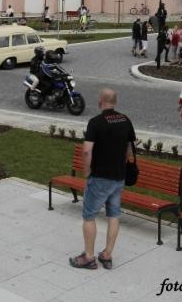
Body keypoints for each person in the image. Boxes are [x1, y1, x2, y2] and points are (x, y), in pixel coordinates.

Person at [69, 88, 135, 270]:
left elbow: (86, 150)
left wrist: (86, 171)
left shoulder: (96, 122)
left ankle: (89, 257)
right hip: (118, 178)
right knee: (113, 215)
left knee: (89, 216)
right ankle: (107, 254)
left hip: (99, 178)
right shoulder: (125, 120)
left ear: (101, 102)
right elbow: (129, 148)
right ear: (115, 101)